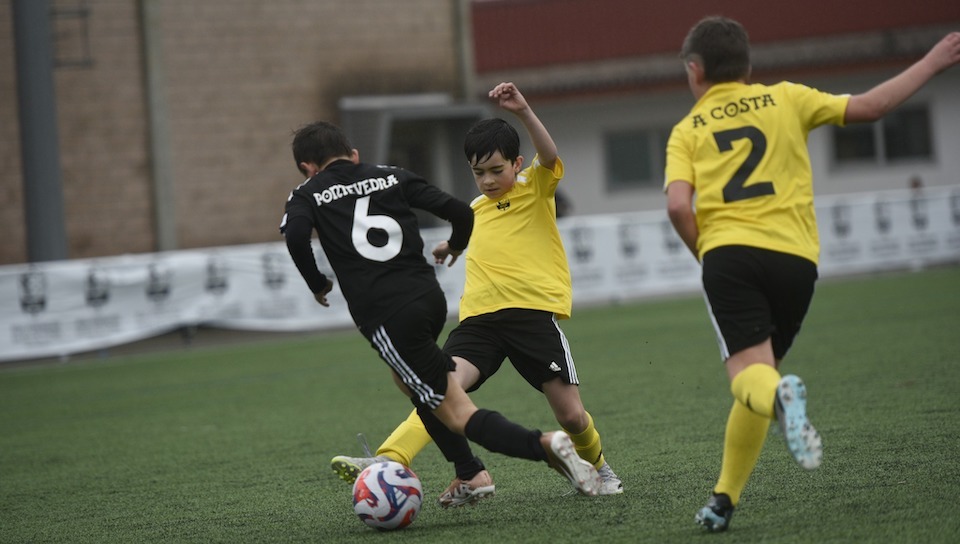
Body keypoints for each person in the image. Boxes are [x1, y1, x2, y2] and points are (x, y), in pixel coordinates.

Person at [664, 16, 960, 532]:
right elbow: (872, 106)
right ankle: (722, 501)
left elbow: (676, 207)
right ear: (748, 65)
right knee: (762, 368)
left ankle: (779, 401)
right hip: (796, 260)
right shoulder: (786, 97)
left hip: (731, 255)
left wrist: (704, 253)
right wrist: (934, 60)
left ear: (695, 70)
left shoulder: (688, 129)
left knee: (750, 379)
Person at [329, 82, 623, 507]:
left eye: (496, 170)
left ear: (517, 164)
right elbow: (471, 237)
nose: (487, 180)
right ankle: (387, 459)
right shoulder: (474, 211)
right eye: (478, 172)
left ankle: (598, 467)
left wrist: (523, 110)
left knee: (571, 415)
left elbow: (551, 155)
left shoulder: (534, 187)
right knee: (435, 390)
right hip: (479, 323)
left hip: (531, 317)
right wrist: (453, 246)